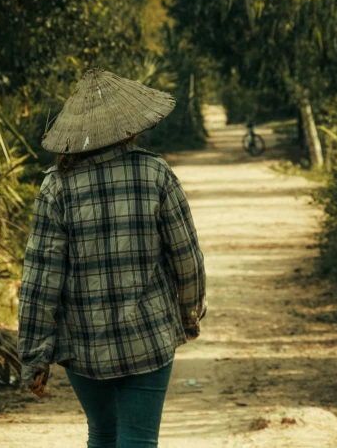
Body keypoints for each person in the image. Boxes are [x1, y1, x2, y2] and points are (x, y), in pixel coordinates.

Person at [17, 68, 207, 448]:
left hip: (84, 343)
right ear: (129, 127)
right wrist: (189, 311)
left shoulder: (56, 186)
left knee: (102, 433)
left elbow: (41, 279)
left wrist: (34, 355)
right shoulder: (155, 173)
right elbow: (187, 257)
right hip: (149, 337)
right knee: (138, 438)